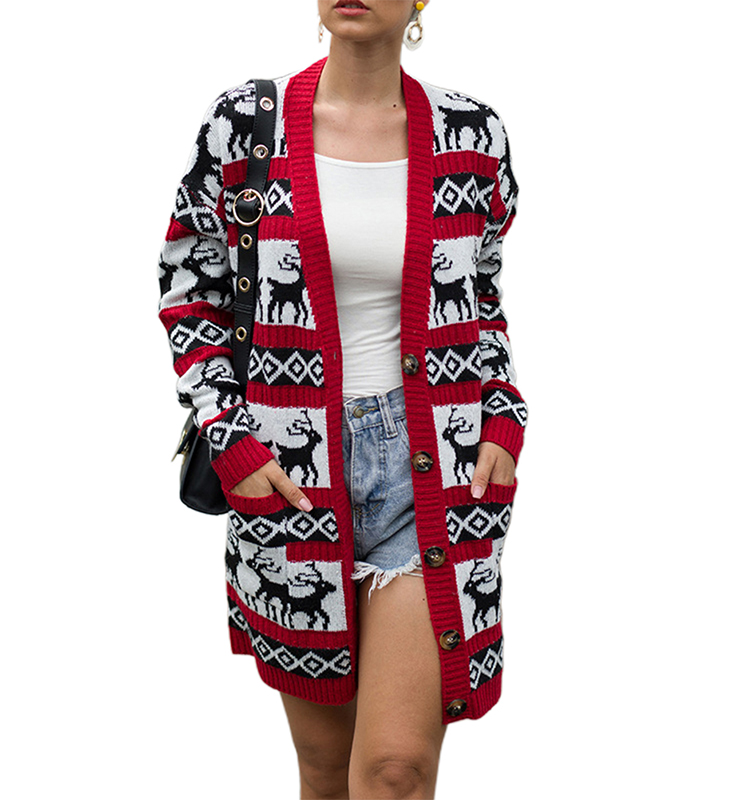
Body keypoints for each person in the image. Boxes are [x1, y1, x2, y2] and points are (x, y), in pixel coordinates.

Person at [157, 1, 528, 797]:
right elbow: (190, 291)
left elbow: (482, 297)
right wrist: (232, 439)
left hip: (438, 469)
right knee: (326, 771)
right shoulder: (244, 125)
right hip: (289, 475)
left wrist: (503, 414)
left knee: (395, 770)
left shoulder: (473, 134)